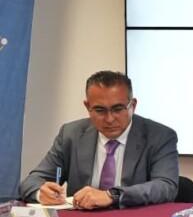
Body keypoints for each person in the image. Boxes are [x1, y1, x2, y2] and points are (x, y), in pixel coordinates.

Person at [19, 70, 179, 209]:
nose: (109, 119)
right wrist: (41, 192)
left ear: (133, 105)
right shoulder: (71, 134)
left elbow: (166, 186)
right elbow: (31, 181)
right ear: (87, 107)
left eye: (118, 109)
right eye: (100, 110)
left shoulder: (159, 136)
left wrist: (112, 196)